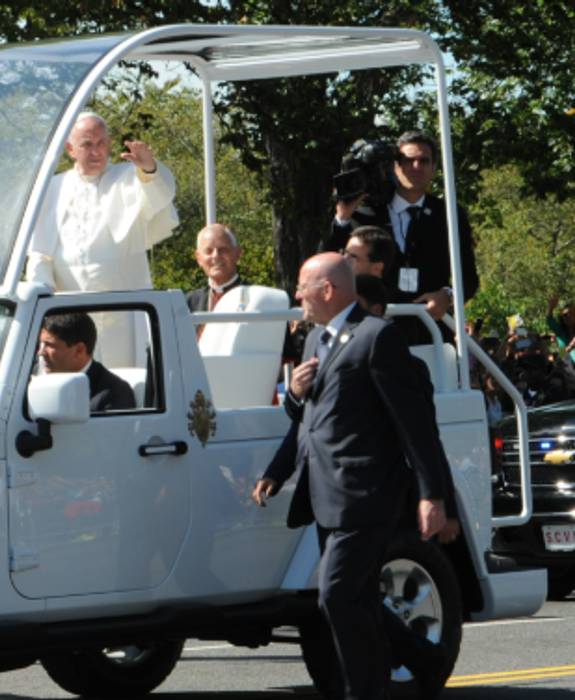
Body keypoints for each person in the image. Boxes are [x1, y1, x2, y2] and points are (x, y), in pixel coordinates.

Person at [251, 253, 446, 700]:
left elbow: (413, 423)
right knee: (356, 598)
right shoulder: (314, 340)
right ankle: (420, 660)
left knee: (336, 596)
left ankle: (360, 690)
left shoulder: (377, 337)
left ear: (328, 290)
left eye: (302, 286)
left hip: (368, 494)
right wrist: (279, 467)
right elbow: (311, 419)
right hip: (326, 496)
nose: (296, 295)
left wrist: (432, 494)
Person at [26, 112, 179, 367]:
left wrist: (150, 167)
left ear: (109, 143)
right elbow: (39, 252)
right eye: (87, 144)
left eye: (101, 143)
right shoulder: (52, 188)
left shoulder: (130, 176)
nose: (96, 151)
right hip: (68, 310)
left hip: (123, 309)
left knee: (125, 378)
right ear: (70, 149)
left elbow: (162, 196)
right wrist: (43, 288)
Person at [323, 131, 480, 343]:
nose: (416, 167)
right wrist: (341, 218)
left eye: (424, 161)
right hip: (372, 334)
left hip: (431, 336)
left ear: (434, 169)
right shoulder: (365, 211)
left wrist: (448, 295)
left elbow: (468, 277)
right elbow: (327, 265)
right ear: (394, 166)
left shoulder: (450, 214)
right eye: (408, 160)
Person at [37, 312, 136, 413]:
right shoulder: (34, 378)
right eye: (41, 344)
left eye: (49, 345)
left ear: (78, 350)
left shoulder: (114, 393)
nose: (41, 352)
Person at [185, 224, 248, 313]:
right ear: (199, 258)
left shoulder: (255, 296)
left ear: (237, 254)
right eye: (208, 251)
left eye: (223, 249)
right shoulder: (189, 303)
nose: (216, 256)